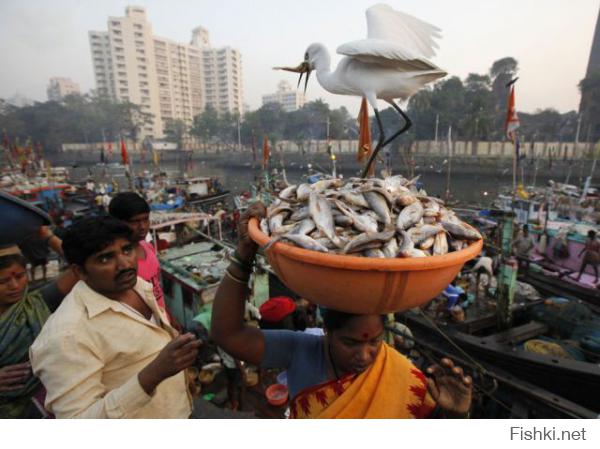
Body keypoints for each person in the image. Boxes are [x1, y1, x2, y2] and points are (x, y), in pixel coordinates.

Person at [211, 203, 472, 419]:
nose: (364, 355)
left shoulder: (403, 375)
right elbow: (228, 335)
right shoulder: (301, 351)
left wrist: (454, 414)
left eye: (375, 341)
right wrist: (245, 253)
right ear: (327, 331)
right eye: (350, 342)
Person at [29, 217, 201, 418]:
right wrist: (153, 375)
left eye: (127, 250)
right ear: (80, 271)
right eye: (105, 258)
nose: (124, 264)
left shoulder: (136, 285)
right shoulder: (65, 336)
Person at [0, 244, 78, 418]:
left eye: (20, 276)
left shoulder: (39, 303)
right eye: (3, 281)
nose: (14, 286)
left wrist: (46, 236)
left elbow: (81, 264)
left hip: (46, 403)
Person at [109, 192, 166, 313]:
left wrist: (167, 315)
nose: (143, 226)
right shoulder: (118, 264)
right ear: (117, 222)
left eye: (146, 219)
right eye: (135, 222)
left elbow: (157, 290)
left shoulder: (148, 247)